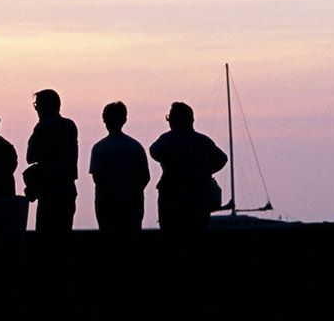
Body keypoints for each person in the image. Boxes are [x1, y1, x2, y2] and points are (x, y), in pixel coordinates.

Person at [149, 101, 226, 236]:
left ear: (174, 120)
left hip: (172, 199)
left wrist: (171, 164)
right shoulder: (204, 141)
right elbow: (222, 159)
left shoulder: (168, 139)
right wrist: (204, 171)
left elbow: (154, 151)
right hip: (199, 199)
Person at [88, 101, 149, 234]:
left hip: (106, 206)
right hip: (133, 205)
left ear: (104, 120)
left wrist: (113, 198)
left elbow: (98, 179)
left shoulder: (99, 148)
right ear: (124, 119)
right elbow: (145, 177)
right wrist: (130, 195)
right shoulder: (135, 147)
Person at [25, 89, 78, 234]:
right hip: (67, 186)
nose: (36, 109)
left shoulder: (42, 127)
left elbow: (30, 157)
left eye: (37, 105)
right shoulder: (70, 126)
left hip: (48, 189)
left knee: (45, 234)